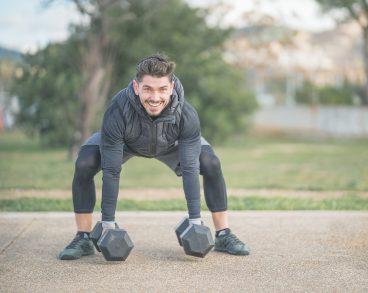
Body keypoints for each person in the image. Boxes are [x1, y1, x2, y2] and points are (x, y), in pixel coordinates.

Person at [58, 54, 250, 260]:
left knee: (210, 163)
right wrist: (108, 224)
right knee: (85, 162)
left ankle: (223, 234)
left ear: (172, 87)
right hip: (126, 143)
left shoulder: (186, 114)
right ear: (136, 87)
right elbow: (112, 171)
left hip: (171, 143)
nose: (155, 97)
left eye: (162, 89)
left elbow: (190, 168)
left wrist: (195, 221)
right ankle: (84, 237)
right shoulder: (117, 111)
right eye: (148, 89)